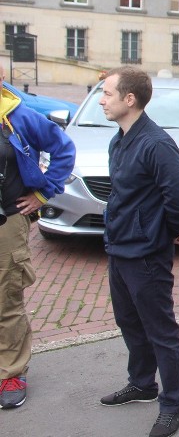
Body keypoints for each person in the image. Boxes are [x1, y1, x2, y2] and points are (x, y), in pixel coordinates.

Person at [97, 67, 179, 437]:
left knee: (160, 331)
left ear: (130, 99)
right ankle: (142, 384)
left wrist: (171, 232)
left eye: (108, 94)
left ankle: (172, 404)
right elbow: (123, 196)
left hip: (147, 255)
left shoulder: (156, 144)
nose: (102, 100)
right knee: (129, 322)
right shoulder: (119, 140)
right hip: (119, 249)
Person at [0, 65, 75, 410]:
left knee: (6, 300)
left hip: (7, 223)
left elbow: (62, 148)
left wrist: (42, 194)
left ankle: (11, 372)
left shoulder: (17, 115)